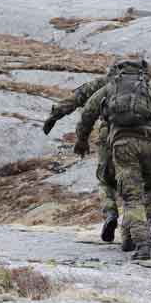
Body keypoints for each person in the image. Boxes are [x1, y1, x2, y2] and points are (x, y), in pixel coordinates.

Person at [74, 59, 151, 260]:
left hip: (123, 147)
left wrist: (81, 141)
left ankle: (139, 244)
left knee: (132, 197)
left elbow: (87, 113)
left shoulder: (110, 89)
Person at [42, 76, 119, 243]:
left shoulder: (106, 83)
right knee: (144, 184)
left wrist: (55, 115)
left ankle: (110, 212)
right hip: (146, 140)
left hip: (111, 139)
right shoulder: (150, 86)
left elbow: (79, 97)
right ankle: (148, 225)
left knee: (105, 181)